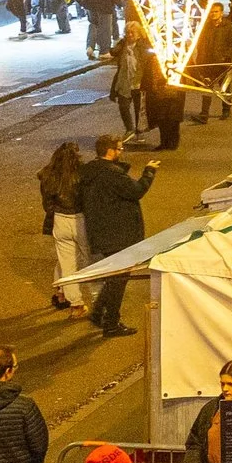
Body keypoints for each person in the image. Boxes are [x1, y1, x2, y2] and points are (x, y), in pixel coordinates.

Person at [75, 136, 156, 337]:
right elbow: (136, 191)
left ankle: (98, 313)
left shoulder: (90, 171)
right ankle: (111, 323)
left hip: (102, 231)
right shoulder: (111, 174)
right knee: (119, 279)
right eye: (120, 148)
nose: (122, 152)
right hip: (118, 234)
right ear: (110, 151)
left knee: (114, 276)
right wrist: (149, 172)